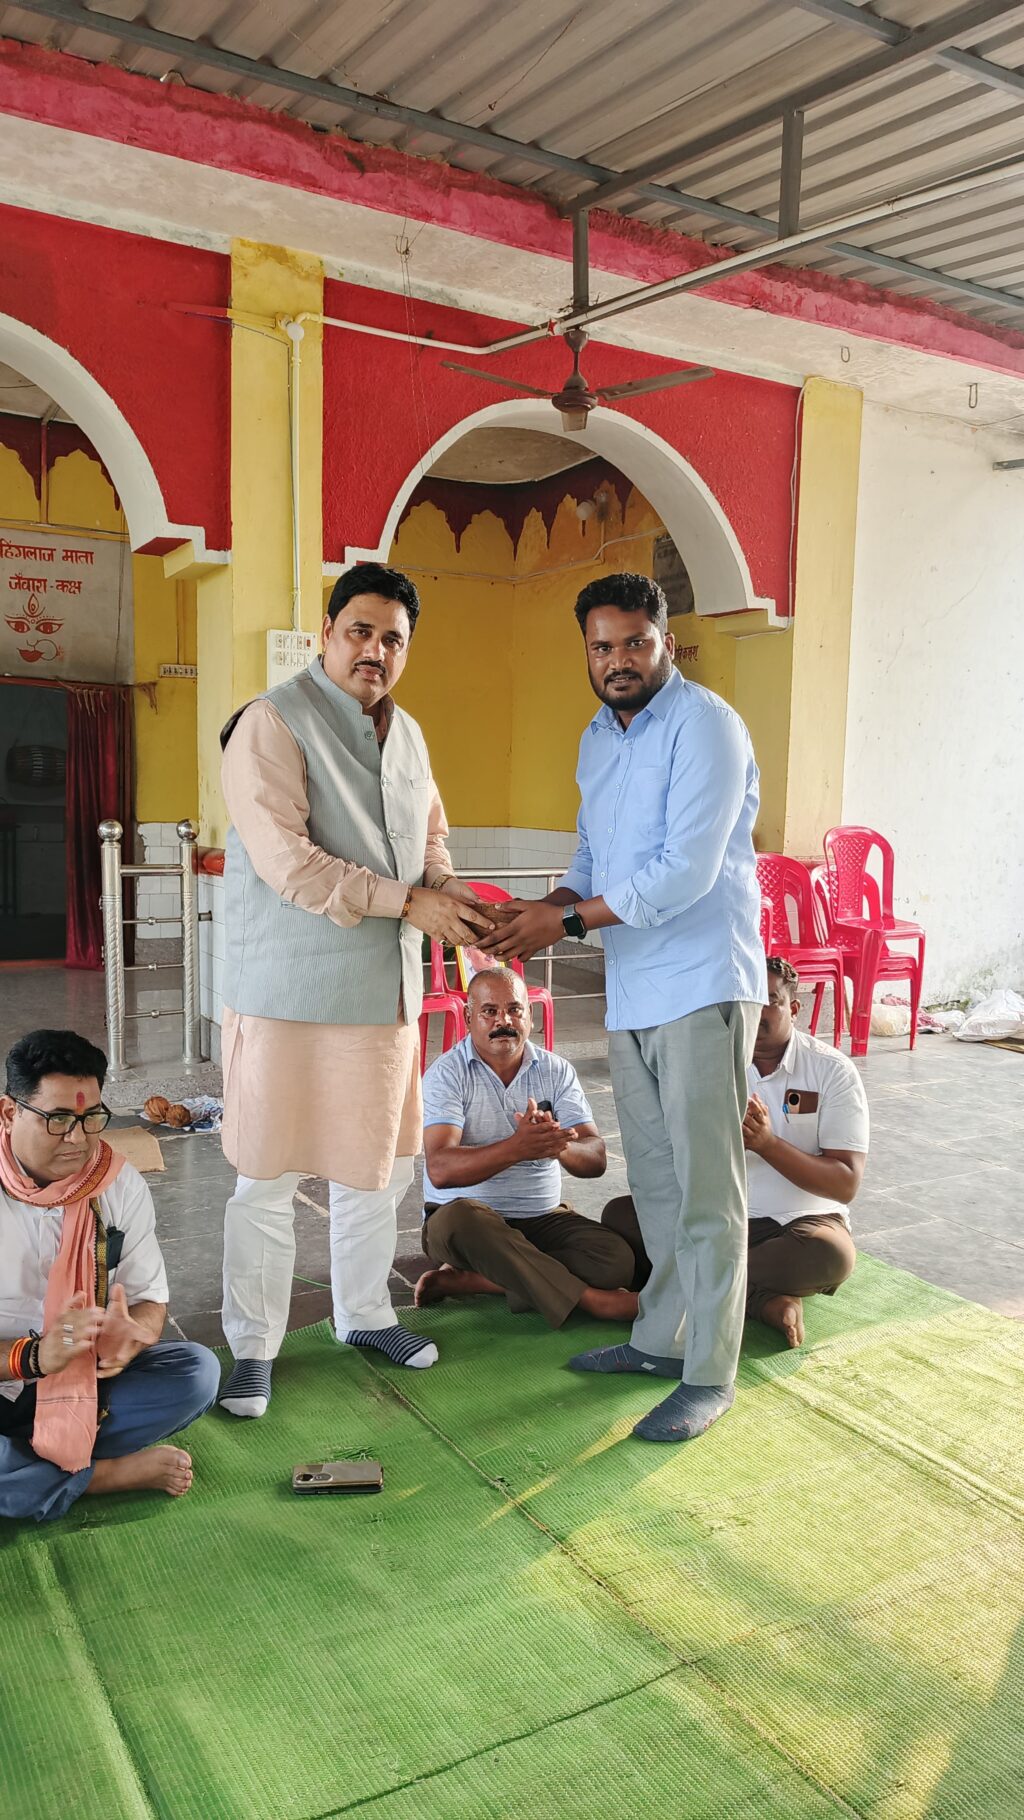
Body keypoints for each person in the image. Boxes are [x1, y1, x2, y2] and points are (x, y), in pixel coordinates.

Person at [481, 573, 765, 1443]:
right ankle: (660, 1340)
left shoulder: (706, 725)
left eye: (635, 643)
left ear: (666, 642)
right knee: (658, 1184)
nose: (618, 661)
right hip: (633, 989)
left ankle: (710, 1373)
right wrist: (539, 910)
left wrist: (565, 922)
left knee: (709, 1192)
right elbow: (593, 856)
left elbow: (685, 872)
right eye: (602, 647)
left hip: (703, 983)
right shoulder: (598, 739)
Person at [218, 561, 493, 1417]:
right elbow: (290, 864)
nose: (376, 651)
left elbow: (430, 837)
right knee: (266, 1178)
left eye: (393, 639)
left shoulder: (406, 734)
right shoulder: (271, 723)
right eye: (361, 632)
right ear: (327, 633)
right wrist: (411, 901)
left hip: (382, 994)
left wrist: (448, 891)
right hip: (287, 992)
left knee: (379, 1170)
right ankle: (253, 1348)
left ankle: (365, 1314)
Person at [0, 1029, 219, 1523]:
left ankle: (27, 1471)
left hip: (82, 1383)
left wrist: (130, 1338)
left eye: (90, 1117)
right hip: (6, 1377)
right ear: (10, 1113)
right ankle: (97, 1476)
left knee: (196, 1373)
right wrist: (34, 1356)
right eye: (58, 1119)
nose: (78, 1138)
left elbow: (149, 1301)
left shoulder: (117, 1183)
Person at [603, 958, 866, 1349]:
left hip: (797, 1225)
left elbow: (845, 1183)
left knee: (831, 1256)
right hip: (717, 1214)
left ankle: (679, 1292)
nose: (756, 1013)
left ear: (794, 1008)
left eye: (770, 1001)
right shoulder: (710, 1063)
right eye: (746, 1002)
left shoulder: (832, 1071)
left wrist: (767, 1144)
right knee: (621, 1215)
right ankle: (762, 1301)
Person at [414, 969, 636, 1327]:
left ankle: (478, 1282)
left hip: (541, 1217)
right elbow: (440, 1170)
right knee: (461, 1218)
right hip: (469, 1226)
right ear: (469, 1017)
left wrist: (557, 1146)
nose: (503, 1021)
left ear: (530, 1016)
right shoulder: (447, 1074)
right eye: (489, 1011)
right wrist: (517, 1148)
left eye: (515, 1009)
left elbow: (595, 1159)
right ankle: (595, 1302)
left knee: (615, 1260)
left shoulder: (556, 1070)